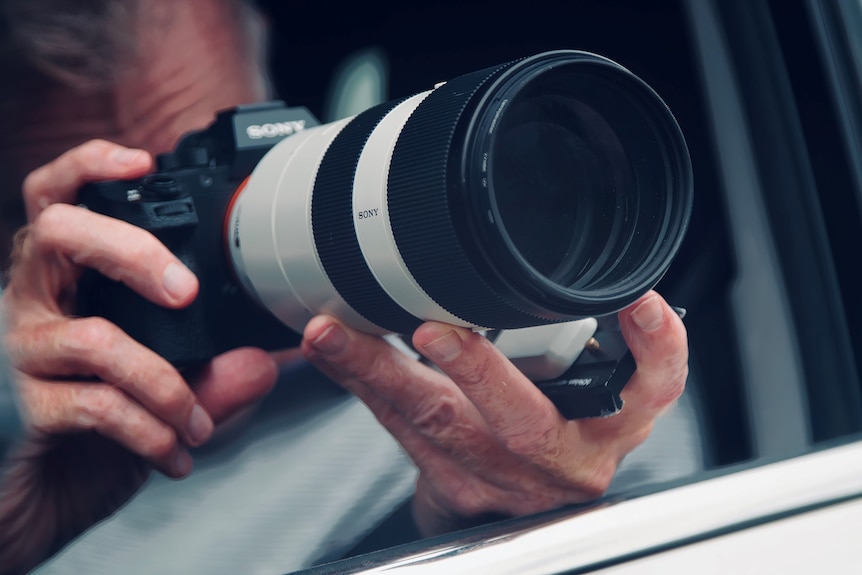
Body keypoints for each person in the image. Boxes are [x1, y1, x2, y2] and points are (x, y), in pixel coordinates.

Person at [0, 0, 694, 573]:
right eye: (140, 204)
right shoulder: (37, 428)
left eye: (222, 163)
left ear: (263, 56)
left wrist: (484, 521)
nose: (178, 252)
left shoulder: (538, 400)